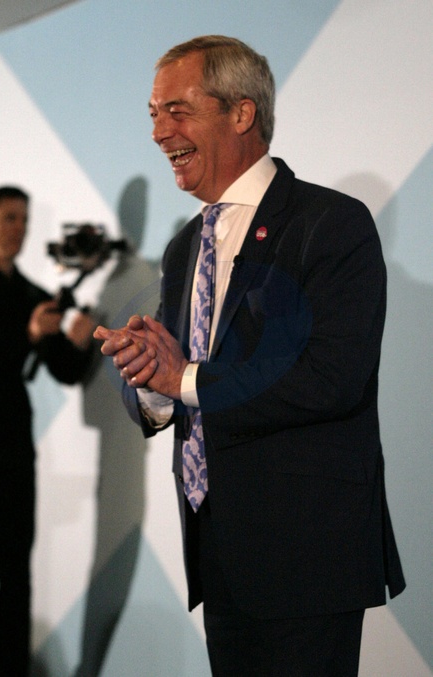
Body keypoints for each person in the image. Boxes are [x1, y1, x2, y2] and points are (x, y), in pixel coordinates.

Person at [94, 35, 406, 676]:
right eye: (153, 114)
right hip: (219, 552)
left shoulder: (331, 223)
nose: (159, 132)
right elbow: (179, 379)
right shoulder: (186, 245)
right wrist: (151, 380)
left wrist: (185, 378)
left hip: (306, 557)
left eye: (177, 110)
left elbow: (331, 379)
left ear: (241, 113)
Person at [0, 186, 94, 677]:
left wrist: (77, 342)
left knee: (15, 571)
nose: (19, 228)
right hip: (1, 433)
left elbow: (64, 370)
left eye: (24, 219)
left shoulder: (31, 295)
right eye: (9, 218)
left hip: (8, 440)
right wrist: (27, 335)